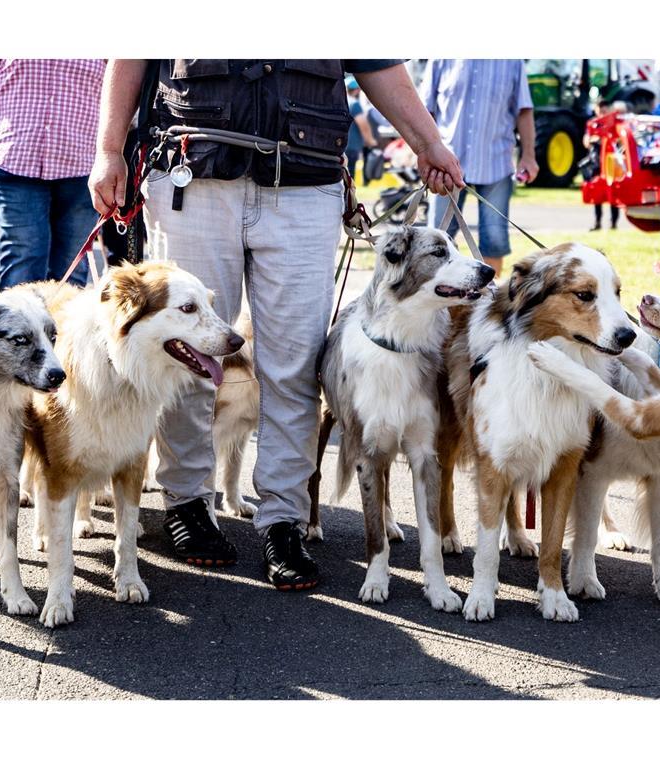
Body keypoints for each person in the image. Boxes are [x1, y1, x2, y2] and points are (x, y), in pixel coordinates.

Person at [90, 59, 463, 591]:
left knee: (293, 367)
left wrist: (428, 143)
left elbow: (376, 57)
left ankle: (284, 518)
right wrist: (109, 151)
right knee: (187, 356)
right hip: (191, 175)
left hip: (305, 183)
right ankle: (187, 502)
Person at [0, 59, 104, 289]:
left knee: (71, 266)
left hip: (83, 160)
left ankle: (63, 326)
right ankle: (18, 325)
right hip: (15, 157)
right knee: (23, 256)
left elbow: (125, 77)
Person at [421, 59, 538, 276]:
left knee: (494, 239)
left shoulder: (512, 62)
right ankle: (437, 301)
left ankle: (486, 301)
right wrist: (422, 150)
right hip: (446, 164)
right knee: (436, 239)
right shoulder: (440, 57)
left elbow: (524, 110)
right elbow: (424, 110)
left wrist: (528, 156)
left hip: (496, 162)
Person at [586, 99, 619, 231]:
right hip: (596, 162)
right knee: (597, 194)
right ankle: (597, 221)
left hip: (610, 162)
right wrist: (596, 139)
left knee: (613, 193)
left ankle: (613, 223)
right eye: (600, 109)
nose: (602, 112)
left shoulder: (614, 124)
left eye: (605, 109)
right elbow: (586, 141)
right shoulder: (592, 124)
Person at [344, 76, 378, 182]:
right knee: (350, 177)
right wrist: (370, 141)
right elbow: (362, 123)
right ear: (357, 90)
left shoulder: (343, 103)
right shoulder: (355, 104)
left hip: (341, 145)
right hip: (352, 145)